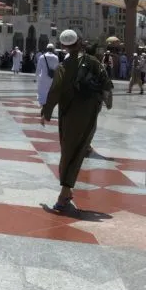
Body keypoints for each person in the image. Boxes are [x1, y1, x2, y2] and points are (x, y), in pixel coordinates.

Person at [41, 29, 112, 212]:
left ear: (64, 46)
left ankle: (64, 192)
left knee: (68, 151)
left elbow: (55, 91)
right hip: (89, 115)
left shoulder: (64, 67)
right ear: (80, 42)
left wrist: (46, 111)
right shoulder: (94, 62)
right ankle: (66, 190)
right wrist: (106, 103)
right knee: (79, 150)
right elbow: (106, 87)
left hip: (69, 115)